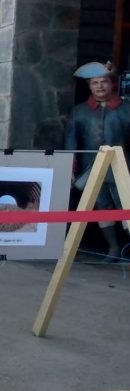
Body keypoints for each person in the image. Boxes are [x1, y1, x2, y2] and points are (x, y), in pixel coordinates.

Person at [65, 61, 130, 257]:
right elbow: (71, 143)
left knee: (126, 205)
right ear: (89, 86)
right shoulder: (79, 112)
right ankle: (113, 247)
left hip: (123, 168)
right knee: (102, 208)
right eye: (95, 82)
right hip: (90, 169)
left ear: (112, 84)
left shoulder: (127, 110)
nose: (100, 86)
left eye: (104, 81)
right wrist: (70, 168)